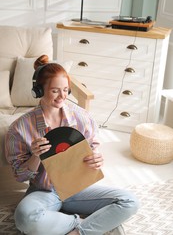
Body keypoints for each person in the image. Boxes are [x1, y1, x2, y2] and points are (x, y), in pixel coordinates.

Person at [5, 55, 139, 235]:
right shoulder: (20, 128)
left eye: (66, 90)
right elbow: (20, 176)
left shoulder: (82, 117)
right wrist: (36, 156)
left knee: (129, 201)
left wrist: (96, 160)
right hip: (44, 192)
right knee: (24, 218)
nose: (62, 96)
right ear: (38, 90)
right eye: (55, 91)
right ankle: (83, 222)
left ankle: (78, 232)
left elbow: (93, 149)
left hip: (78, 189)